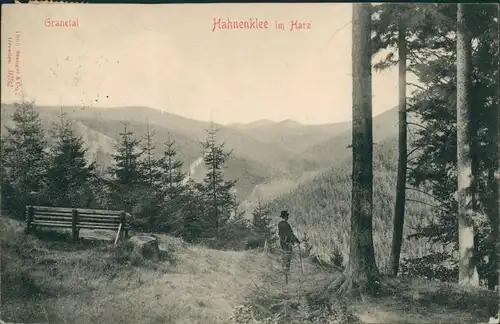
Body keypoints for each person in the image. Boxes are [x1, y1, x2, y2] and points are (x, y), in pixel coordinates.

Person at [278, 210, 300, 282]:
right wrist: (297, 241)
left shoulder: (279, 224)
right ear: (285, 217)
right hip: (288, 243)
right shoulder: (286, 224)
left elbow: (280, 234)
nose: (288, 217)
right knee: (288, 258)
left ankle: (284, 275)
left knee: (284, 257)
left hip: (282, 243)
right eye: (287, 216)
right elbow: (291, 234)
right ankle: (286, 276)